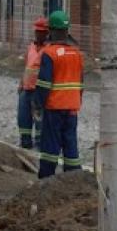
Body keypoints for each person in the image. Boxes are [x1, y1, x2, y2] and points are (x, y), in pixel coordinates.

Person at [33, 11, 83, 178]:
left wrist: (38, 105)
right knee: (70, 144)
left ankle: (46, 178)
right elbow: (81, 83)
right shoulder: (76, 53)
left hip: (54, 107)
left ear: (51, 31)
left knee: (50, 146)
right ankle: (74, 177)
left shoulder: (50, 53)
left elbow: (44, 83)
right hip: (72, 108)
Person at [17, 18, 48, 157]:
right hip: (26, 89)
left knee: (40, 121)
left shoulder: (49, 49)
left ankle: (40, 147)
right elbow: (27, 66)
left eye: (42, 32)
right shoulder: (31, 47)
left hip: (39, 91)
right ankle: (25, 143)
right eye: (37, 31)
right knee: (23, 118)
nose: (38, 34)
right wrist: (21, 83)